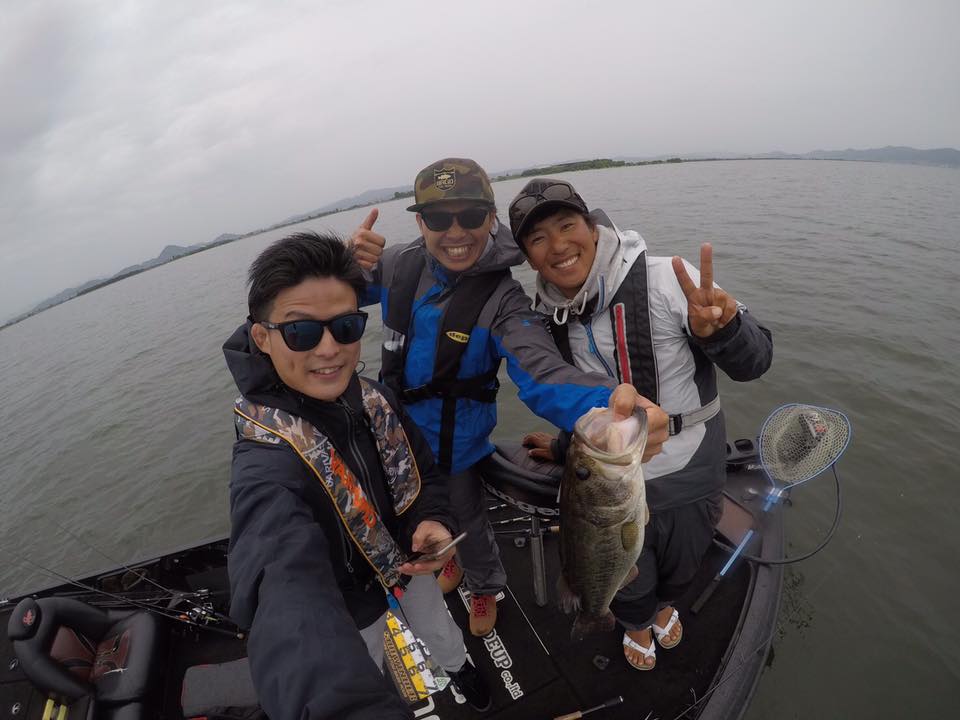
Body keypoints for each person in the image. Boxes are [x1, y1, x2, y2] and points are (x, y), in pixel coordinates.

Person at [350, 158, 669, 637]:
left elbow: (542, 374)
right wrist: (346, 264)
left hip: (456, 447)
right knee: (412, 518)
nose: (455, 232)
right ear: (419, 223)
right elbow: (336, 297)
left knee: (469, 523)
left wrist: (611, 407)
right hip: (392, 436)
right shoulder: (397, 264)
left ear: (491, 217)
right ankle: (448, 560)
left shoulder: (504, 301)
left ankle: (485, 586)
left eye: (470, 216)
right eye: (438, 218)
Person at [223, 231, 491, 719]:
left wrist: (432, 521)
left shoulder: (376, 398)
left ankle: (460, 670)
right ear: (262, 337)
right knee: (362, 661)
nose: (329, 349)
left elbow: (423, 473)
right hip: (344, 603)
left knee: (440, 629)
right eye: (301, 332)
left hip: (408, 563)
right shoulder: (264, 455)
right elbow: (278, 574)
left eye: (345, 326)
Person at [508, 178, 773, 671]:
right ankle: (633, 622)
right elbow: (571, 400)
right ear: (527, 257)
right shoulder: (540, 320)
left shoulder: (670, 278)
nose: (558, 245)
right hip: (600, 483)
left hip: (688, 467)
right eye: (538, 238)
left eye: (567, 225)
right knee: (616, 567)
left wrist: (725, 332)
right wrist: (565, 449)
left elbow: (756, 362)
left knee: (684, 559)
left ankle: (666, 605)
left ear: (593, 227)